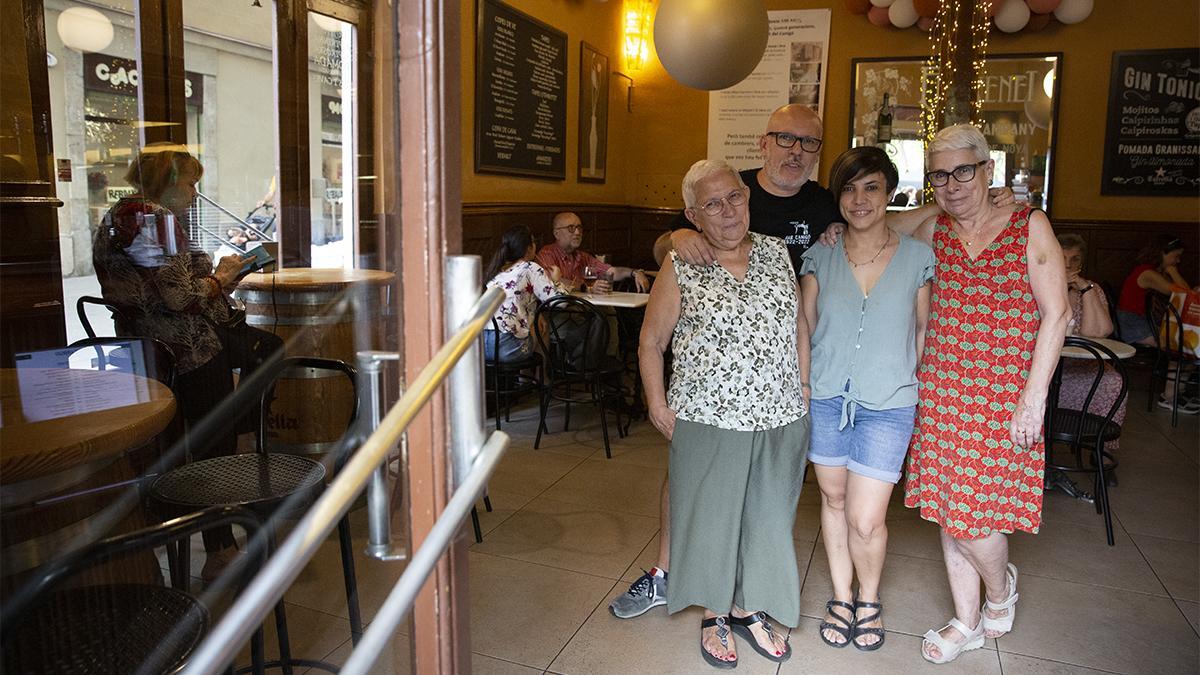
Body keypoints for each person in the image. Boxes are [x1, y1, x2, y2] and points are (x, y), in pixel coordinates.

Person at [899, 124, 1069, 664]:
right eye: (939, 175)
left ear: (988, 170)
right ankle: (966, 621)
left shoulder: (1028, 225)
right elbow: (874, 221)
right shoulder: (933, 230)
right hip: (943, 393)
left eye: (963, 171)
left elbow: (1056, 314)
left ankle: (1001, 591)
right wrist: (837, 228)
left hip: (1004, 397)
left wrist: (1033, 398)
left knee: (975, 516)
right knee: (953, 512)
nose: (951, 184)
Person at [639, 159, 809, 668]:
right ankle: (715, 614)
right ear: (693, 214)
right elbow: (652, 340)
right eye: (712, 204)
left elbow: (798, 323)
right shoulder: (681, 262)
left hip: (780, 413)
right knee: (713, 520)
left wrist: (801, 387)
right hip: (709, 415)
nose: (727, 210)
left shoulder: (778, 252)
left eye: (733, 196)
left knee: (767, 517)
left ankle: (747, 606)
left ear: (748, 195)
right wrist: (656, 402)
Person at [92, 142, 284, 581]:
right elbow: (180, 299)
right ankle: (219, 544)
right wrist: (223, 277)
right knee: (214, 436)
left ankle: (232, 449)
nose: (196, 194)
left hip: (139, 348)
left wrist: (214, 279)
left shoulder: (116, 217)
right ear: (170, 182)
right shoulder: (156, 221)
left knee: (263, 351)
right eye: (192, 184)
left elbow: (157, 288)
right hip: (184, 349)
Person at [799, 147, 934, 652]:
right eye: (849, 189)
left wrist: (914, 387)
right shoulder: (820, 253)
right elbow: (805, 327)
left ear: (890, 193)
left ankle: (869, 599)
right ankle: (841, 595)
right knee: (833, 500)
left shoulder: (920, 258)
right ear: (837, 199)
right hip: (827, 398)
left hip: (890, 402)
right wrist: (808, 387)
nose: (859, 200)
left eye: (871, 187)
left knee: (867, 516)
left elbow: (923, 331)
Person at [1054, 234, 1131, 450]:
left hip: (1082, 364)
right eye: (1062, 257)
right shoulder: (1040, 286)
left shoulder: (1091, 289)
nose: (1068, 265)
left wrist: (1084, 289)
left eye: (1075, 259)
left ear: (1082, 262)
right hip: (1045, 365)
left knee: (1113, 381)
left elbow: (1099, 332)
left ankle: (1099, 448)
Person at [482, 225, 566, 362]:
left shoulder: (496, 268)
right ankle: (542, 380)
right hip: (506, 349)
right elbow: (560, 302)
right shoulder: (530, 267)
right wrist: (556, 281)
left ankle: (524, 381)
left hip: (481, 347)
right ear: (529, 248)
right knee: (542, 326)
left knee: (538, 320)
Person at [536, 212, 648, 292]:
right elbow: (553, 281)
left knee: (608, 312)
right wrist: (587, 288)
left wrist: (634, 272)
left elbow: (610, 271)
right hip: (558, 311)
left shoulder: (582, 256)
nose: (577, 232)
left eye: (579, 228)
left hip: (585, 307)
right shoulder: (547, 254)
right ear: (556, 233)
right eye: (571, 228)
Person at [1115, 235, 1189, 346]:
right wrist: (1173, 271)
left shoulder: (1154, 271)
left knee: (1181, 340)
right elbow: (1183, 293)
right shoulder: (1147, 273)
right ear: (1162, 253)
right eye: (1176, 256)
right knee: (1178, 345)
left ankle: (1172, 363)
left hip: (1141, 321)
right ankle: (1173, 363)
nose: (1178, 261)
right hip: (1132, 324)